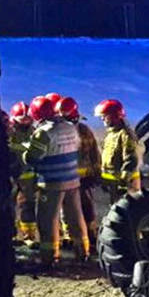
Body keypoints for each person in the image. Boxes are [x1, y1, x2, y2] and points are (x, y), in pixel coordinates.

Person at [23, 95, 90, 266]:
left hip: (52, 183)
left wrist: (25, 152)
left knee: (48, 220)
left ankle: (50, 257)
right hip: (72, 180)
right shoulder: (70, 127)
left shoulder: (43, 133)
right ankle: (83, 252)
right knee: (75, 216)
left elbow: (32, 158)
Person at [57, 96, 102, 249]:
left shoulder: (83, 131)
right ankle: (71, 236)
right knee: (67, 209)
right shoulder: (62, 131)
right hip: (69, 178)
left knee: (86, 207)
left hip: (82, 179)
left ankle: (90, 235)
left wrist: (95, 173)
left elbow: (94, 153)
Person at [95, 99, 141, 201]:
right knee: (116, 212)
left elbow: (131, 158)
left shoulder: (126, 135)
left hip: (126, 185)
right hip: (114, 184)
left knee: (128, 212)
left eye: (105, 115)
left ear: (114, 116)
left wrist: (124, 183)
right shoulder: (111, 134)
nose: (102, 118)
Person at [8, 101, 39, 245]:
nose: (26, 121)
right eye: (23, 119)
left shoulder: (34, 132)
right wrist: (22, 148)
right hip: (11, 174)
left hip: (28, 176)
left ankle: (29, 236)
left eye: (28, 118)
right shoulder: (9, 131)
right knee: (8, 204)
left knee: (27, 205)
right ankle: (10, 234)